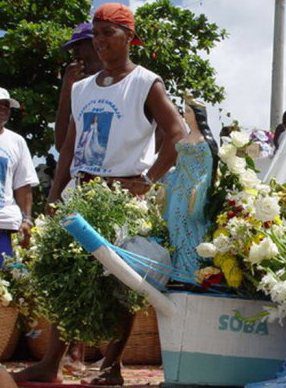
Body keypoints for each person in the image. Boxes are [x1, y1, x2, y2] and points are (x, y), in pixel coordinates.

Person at [13, 3, 185, 385]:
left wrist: (149, 180)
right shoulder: (82, 88)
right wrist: (54, 196)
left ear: (129, 38)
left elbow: (177, 136)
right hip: (81, 191)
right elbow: (70, 148)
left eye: (109, 32)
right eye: (96, 32)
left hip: (120, 199)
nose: (100, 40)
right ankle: (51, 363)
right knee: (68, 274)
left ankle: (111, 368)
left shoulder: (145, 82)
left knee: (119, 280)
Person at [164, 99, 218, 275]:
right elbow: (178, 166)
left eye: (188, 111)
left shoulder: (205, 141)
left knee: (191, 227)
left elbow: (208, 171)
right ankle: (178, 268)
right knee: (175, 225)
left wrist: (199, 188)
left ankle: (193, 270)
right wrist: (166, 185)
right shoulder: (185, 138)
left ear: (197, 115)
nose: (184, 115)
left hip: (194, 193)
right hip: (178, 190)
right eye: (184, 111)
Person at [0, 87, 39, 267]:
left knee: (6, 285)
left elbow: (23, 185)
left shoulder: (16, 142)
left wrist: (26, 219)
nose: (3, 109)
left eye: (6, 106)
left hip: (5, 224)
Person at [54, 23, 103, 152]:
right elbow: (62, 145)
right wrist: (66, 88)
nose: (75, 53)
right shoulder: (80, 90)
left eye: (79, 45)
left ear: (96, 44)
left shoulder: (127, 81)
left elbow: (162, 130)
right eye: (73, 48)